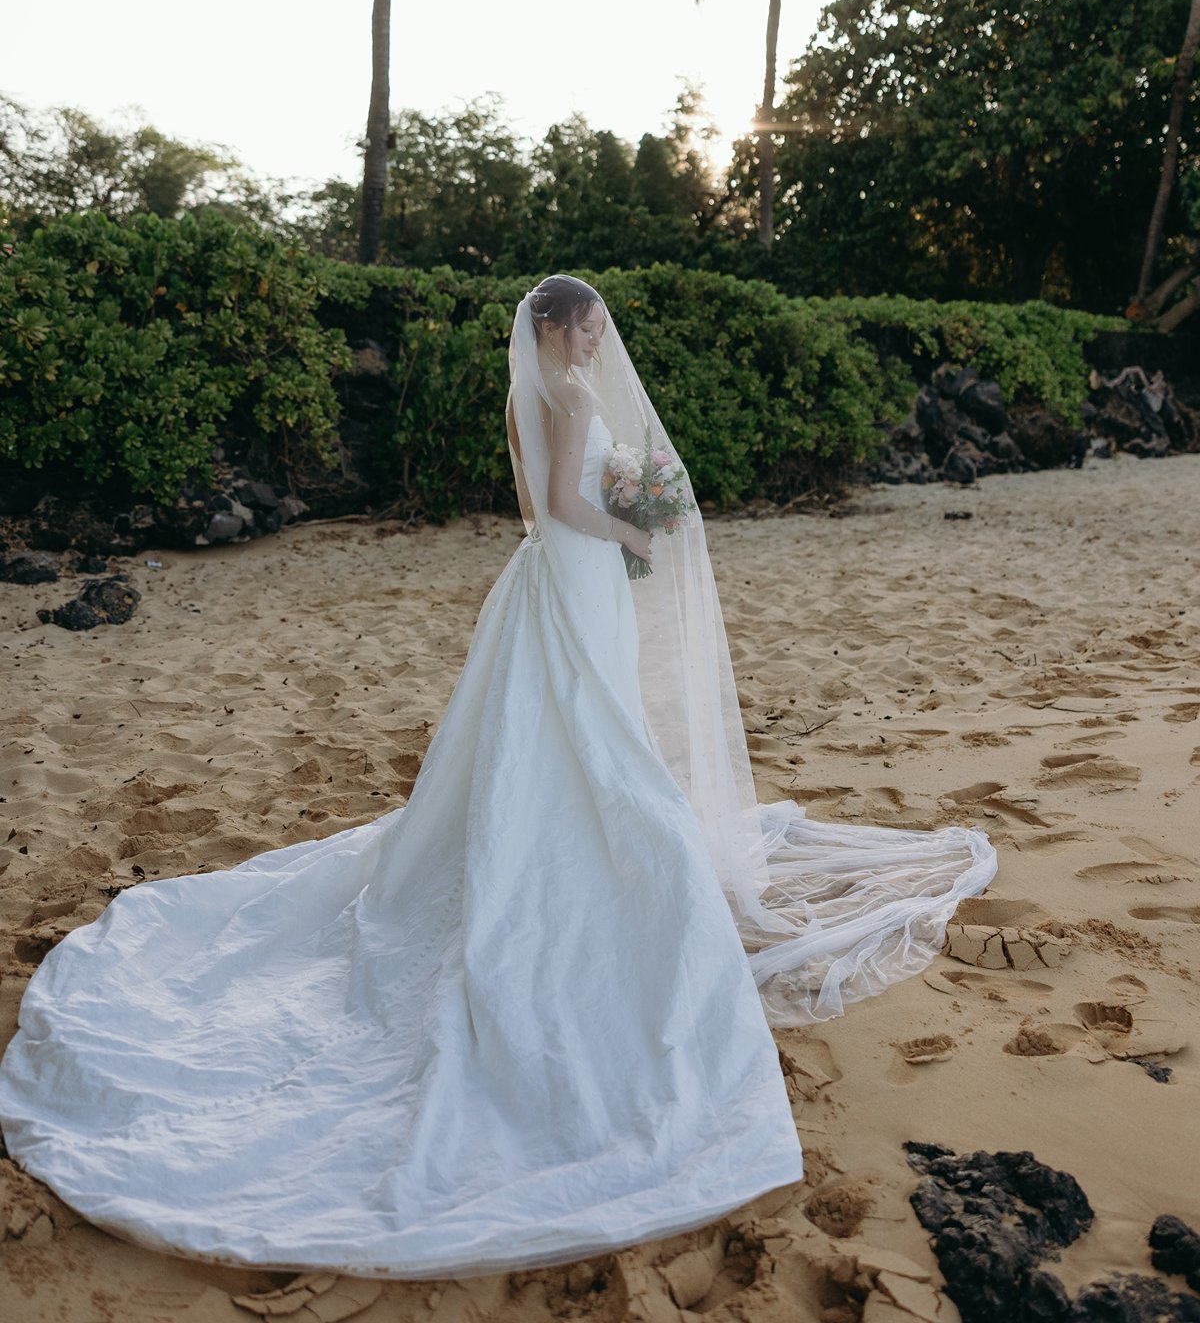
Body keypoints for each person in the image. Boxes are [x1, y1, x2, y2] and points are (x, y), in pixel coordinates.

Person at [0, 275, 994, 1280]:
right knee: (588, 733)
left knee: (559, 729)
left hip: (553, 575)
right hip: (578, 568)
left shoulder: (533, 394)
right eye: (588, 322)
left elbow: (534, 506)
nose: (600, 335)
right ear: (552, 325)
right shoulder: (569, 394)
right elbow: (565, 502)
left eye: (600, 323)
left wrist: (610, 520)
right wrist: (633, 530)